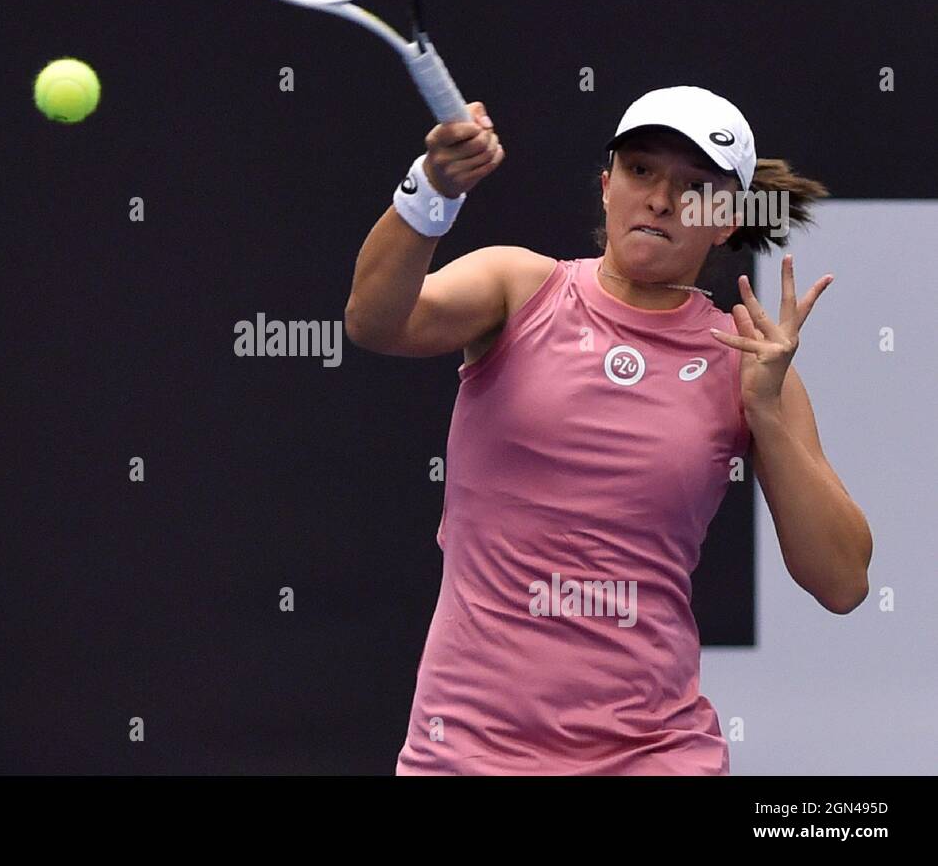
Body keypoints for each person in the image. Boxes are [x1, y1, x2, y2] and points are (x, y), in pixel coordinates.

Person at [345, 86, 873, 775]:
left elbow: (842, 581)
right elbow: (374, 320)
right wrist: (431, 189)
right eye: (641, 171)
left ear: (727, 220)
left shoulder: (747, 362)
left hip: (654, 756)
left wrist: (766, 415)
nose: (659, 198)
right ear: (606, 186)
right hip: (466, 753)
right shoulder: (517, 286)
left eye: (694, 186)